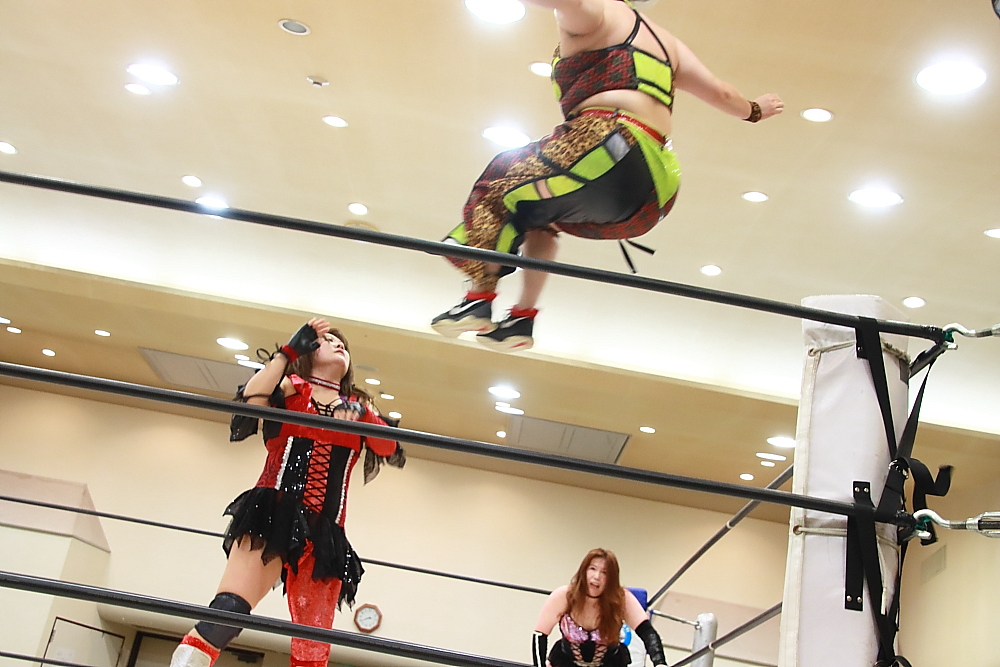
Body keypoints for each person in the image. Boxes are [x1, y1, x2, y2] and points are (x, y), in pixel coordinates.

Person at [433, 0, 783, 352]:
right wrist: (754, 110)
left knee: (498, 181)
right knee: (538, 215)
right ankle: (521, 319)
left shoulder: (598, 14)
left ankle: (479, 297)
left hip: (605, 143)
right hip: (656, 189)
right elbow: (722, 93)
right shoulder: (669, 45)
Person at [169, 319, 405, 667]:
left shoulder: (358, 408)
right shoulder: (292, 387)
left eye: (342, 343)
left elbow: (389, 448)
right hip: (274, 512)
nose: (339, 345)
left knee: (313, 653)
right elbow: (252, 398)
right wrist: (287, 352)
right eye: (327, 340)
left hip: (325, 533)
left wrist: (365, 415)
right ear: (309, 352)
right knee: (228, 612)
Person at [532, 548, 667, 667]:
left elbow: (647, 632)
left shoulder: (621, 599)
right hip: (566, 662)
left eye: (604, 572)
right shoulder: (564, 596)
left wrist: (660, 663)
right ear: (584, 571)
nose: (597, 577)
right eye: (592, 569)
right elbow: (540, 634)